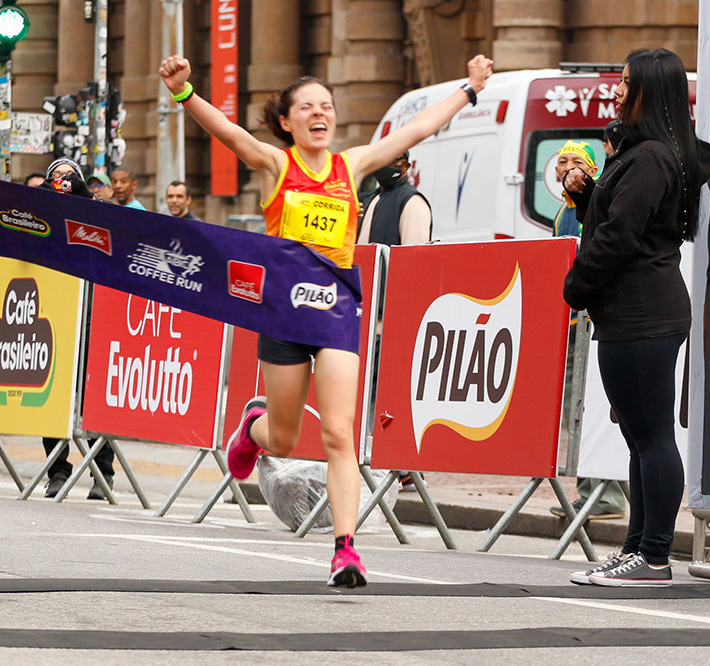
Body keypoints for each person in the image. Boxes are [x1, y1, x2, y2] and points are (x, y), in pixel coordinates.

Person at [159, 51, 492, 588]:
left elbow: (417, 130)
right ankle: (253, 427)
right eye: (307, 107)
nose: (320, 113)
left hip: (337, 310)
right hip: (284, 313)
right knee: (287, 440)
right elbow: (227, 131)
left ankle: (345, 550)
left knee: (340, 433)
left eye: (327, 106)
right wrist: (183, 91)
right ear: (288, 121)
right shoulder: (275, 165)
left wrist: (470, 89)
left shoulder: (352, 166)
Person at [562, 48, 710, 587]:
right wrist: (586, 198)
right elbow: (623, 221)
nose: (618, 90)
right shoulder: (649, 153)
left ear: (649, 91)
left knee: (652, 437)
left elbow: (621, 236)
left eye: (627, 82)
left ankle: (654, 556)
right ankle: (635, 549)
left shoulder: (652, 156)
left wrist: (575, 286)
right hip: (636, 312)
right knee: (638, 437)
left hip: (643, 313)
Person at [548, 134, 627, 521]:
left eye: (572, 161)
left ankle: (603, 494)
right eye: (560, 162)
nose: (564, 168)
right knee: (584, 406)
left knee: (591, 406)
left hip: (592, 322)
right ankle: (610, 487)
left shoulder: (591, 205)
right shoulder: (561, 213)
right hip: (573, 322)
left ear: (592, 171)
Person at [38, 158, 117, 500]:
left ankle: (103, 474)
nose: (62, 180)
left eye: (69, 176)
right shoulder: (41, 213)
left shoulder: (95, 211)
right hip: (52, 315)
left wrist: (81, 193)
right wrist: (45, 191)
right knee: (51, 397)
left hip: (91, 317)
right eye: (56, 175)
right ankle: (57, 471)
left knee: (94, 399)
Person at [357, 150, 431, 492]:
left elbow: (414, 264)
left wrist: (398, 314)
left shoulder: (411, 202)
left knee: (390, 393)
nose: (387, 163)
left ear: (407, 164)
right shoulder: (371, 199)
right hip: (364, 312)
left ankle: (404, 466)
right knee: (369, 392)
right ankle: (383, 461)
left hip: (390, 317)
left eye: (395, 158)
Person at [357, 151, 431, 245]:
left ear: (406, 167)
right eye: (380, 159)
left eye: (393, 160)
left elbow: (414, 254)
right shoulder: (367, 200)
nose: (385, 164)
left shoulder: (412, 202)